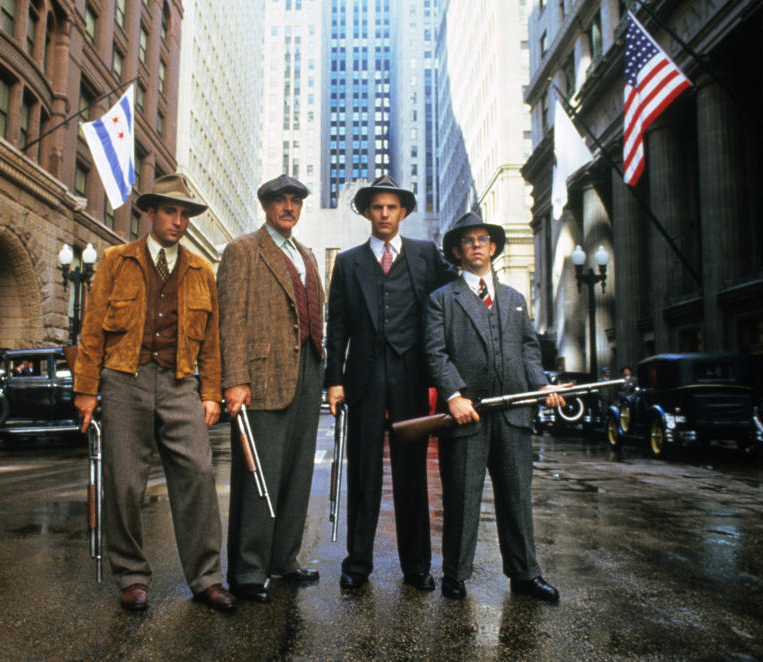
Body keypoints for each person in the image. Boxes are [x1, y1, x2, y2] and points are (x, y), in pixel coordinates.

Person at [73, 173, 235, 612]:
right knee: (124, 481)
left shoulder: (202, 269)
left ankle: (206, 578)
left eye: (184, 214)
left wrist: (212, 393)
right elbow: (91, 330)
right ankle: (132, 576)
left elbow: (213, 342)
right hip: (125, 378)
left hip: (182, 379)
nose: (178, 221)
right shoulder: (114, 260)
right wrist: (86, 389)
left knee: (199, 473)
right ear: (150, 213)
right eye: (170, 211)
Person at [424, 212, 566, 602]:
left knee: (517, 497)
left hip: (514, 413)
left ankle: (524, 574)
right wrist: (454, 395)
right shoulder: (441, 300)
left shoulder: (515, 300)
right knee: (463, 497)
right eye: (468, 240)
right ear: (457, 250)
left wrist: (541, 385)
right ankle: (455, 574)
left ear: (494, 246)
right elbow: (435, 354)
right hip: (467, 414)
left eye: (483, 239)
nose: (476, 245)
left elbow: (528, 350)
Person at [324, 175, 455, 591]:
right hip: (363, 377)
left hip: (410, 375)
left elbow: (449, 305)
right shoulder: (348, 262)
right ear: (366, 212)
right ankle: (357, 564)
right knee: (362, 473)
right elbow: (338, 327)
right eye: (376, 207)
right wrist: (334, 381)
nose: (384, 214)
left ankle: (416, 566)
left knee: (411, 472)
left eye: (391, 207)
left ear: (404, 213)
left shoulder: (426, 256)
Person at [217, 174, 325, 603]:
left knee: (298, 473)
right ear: (265, 206)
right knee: (258, 474)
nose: (288, 207)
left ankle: (284, 560)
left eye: (295, 200)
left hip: (308, 373)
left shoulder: (307, 255)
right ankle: (247, 571)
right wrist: (234, 379)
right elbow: (230, 319)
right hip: (260, 378)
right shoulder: (242, 250)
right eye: (280, 200)